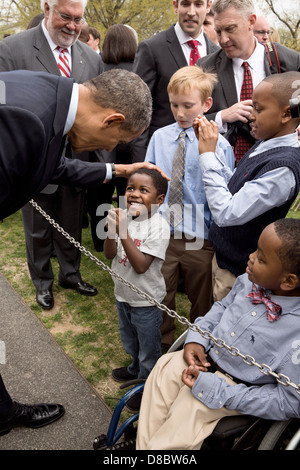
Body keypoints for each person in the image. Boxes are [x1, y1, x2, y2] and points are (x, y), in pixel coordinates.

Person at [0, 66, 166, 435]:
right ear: (112, 119)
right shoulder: (27, 119)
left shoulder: (47, 93)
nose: (103, 149)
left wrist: (119, 170)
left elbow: (51, 166)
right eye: (114, 141)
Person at [136, 218, 300, 450]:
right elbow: (221, 309)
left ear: (288, 280)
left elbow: (290, 401)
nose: (251, 256)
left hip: (237, 389)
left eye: (261, 258)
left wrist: (223, 392)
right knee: (165, 367)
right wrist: (197, 338)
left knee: (190, 405)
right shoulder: (246, 282)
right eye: (255, 249)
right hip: (206, 359)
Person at [0, 0, 104, 310]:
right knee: (37, 228)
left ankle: (70, 274)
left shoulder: (89, 57)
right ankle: (42, 282)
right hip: (32, 161)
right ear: (47, 8)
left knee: (71, 222)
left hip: (77, 159)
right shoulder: (13, 49)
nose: (73, 26)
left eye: (78, 19)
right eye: (65, 17)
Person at [145, 66, 235, 346]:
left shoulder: (220, 145)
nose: (180, 113)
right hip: (163, 231)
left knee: (201, 294)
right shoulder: (160, 137)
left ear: (207, 104)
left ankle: (198, 342)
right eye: (174, 105)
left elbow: (223, 192)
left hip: (200, 233)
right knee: (162, 290)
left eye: (188, 105)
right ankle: (162, 342)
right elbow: (149, 179)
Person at [193, 71, 300, 301]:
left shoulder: (283, 169)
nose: (251, 115)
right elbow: (236, 185)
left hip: (238, 273)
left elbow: (227, 213)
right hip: (223, 258)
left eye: (259, 109)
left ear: (286, 114)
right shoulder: (266, 142)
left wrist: (208, 157)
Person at [197, 0, 300, 164]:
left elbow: (297, 108)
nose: (223, 40)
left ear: (251, 21)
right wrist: (222, 116)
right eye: (218, 31)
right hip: (223, 168)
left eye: (230, 29)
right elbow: (188, 118)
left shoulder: (288, 61)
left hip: (276, 166)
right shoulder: (205, 67)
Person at [104, 168, 170, 412]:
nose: (134, 194)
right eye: (130, 188)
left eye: (144, 190)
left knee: (148, 346)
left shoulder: (159, 227)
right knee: (129, 338)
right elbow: (109, 253)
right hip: (123, 294)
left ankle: (146, 385)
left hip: (146, 301)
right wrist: (114, 230)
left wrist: (123, 232)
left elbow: (141, 266)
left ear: (159, 200)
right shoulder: (125, 219)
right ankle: (134, 369)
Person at [131, 0, 219, 162]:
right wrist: (142, 165)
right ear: (175, 5)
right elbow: (138, 111)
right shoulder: (152, 48)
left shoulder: (218, 54)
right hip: (162, 157)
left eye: (198, 4)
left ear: (208, 7)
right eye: (186, 4)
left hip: (203, 158)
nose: (191, 12)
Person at [87, 24, 139, 252]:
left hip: (102, 145)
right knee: (129, 194)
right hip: (131, 144)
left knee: (100, 195)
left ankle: (100, 240)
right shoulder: (139, 70)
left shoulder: (97, 69)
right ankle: (128, 237)